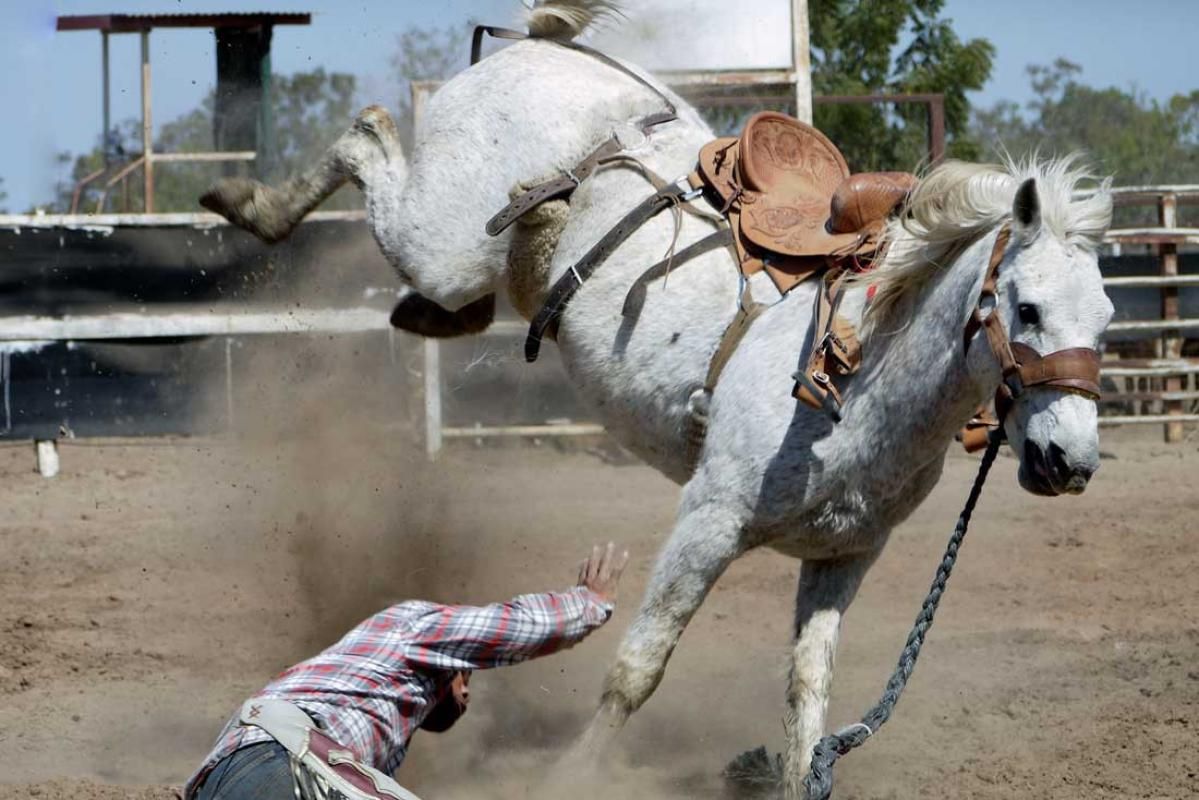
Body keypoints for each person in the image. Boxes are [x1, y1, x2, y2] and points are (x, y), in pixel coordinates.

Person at [185, 542, 630, 800]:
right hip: (284, 765)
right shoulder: (412, 625)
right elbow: (510, 628)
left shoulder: (351, 694)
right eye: (466, 676)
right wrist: (590, 602)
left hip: (220, 781)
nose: (467, 697)